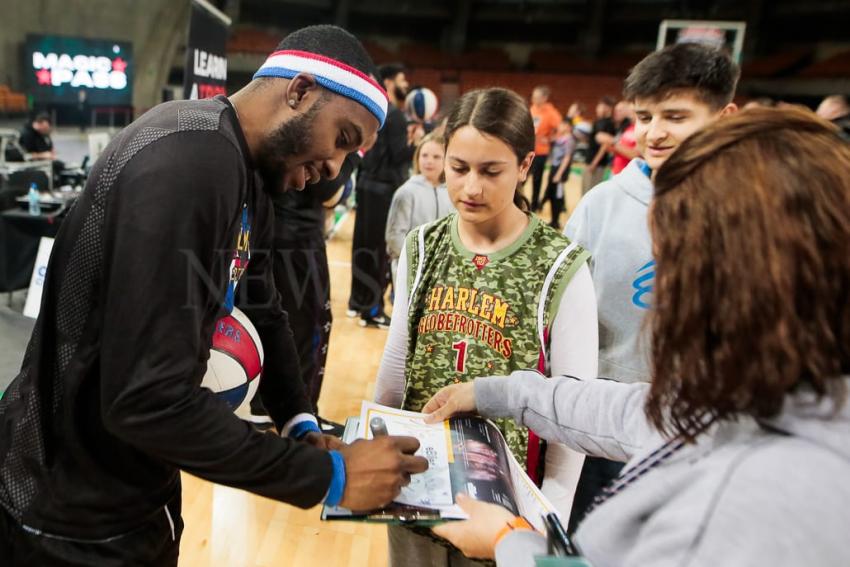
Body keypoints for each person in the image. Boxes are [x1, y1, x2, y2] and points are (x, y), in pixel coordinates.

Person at [0, 25, 428, 566]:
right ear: (298, 91)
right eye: (342, 139)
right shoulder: (190, 167)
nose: (334, 170)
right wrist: (330, 478)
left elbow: (261, 304)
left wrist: (300, 421)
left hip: (124, 487)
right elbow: (146, 402)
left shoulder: (242, 167)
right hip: (67, 513)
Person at [423, 106, 850, 567]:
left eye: (672, 262)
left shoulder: (749, 502)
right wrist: (493, 392)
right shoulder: (772, 397)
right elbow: (630, 412)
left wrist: (509, 539)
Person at [374, 87, 598, 567]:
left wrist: (546, 519)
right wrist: (374, 448)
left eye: (490, 171)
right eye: (459, 169)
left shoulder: (561, 266)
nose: (471, 188)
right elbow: (397, 363)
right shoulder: (421, 246)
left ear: (524, 167)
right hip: (420, 493)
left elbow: (572, 411)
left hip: (506, 516)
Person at [563, 42, 739, 532]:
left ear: (725, 116)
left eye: (675, 116)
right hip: (604, 431)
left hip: (703, 435)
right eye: (643, 117)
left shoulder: (753, 209)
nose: (654, 133)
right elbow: (558, 323)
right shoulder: (601, 205)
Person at [266, 150, 363, 433]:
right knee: (309, 327)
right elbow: (332, 194)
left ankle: (270, 407)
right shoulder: (315, 140)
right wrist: (354, 155)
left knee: (276, 321)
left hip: (274, 234)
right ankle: (304, 416)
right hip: (297, 241)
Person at [348, 63, 419, 328]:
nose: (405, 84)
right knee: (380, 250)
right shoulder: (397, 115)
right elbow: (398, 156)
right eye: (401, 79)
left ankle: (356, 303)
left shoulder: (370, 108)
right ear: (389, 82)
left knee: (361, 245)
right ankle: (373, 309)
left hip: (365, 185)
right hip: (385, 188)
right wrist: (416, 143)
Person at [385, 132, 453, 285]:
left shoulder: (451, 193)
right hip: (411, 272)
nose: (429, 161)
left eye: (436, 157)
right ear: (417, 158)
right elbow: (394, 236)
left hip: (442, 273)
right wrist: (417, 261)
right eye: (425, 155)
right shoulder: (406, 192)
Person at [528, 85, 563, 211]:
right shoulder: (532, 109)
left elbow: (562, 129)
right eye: (533, 96)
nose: (533, 99)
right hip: (528, 149)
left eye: (536, 97)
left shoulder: (551, 113)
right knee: (523, 177)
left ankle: (534, 205)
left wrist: (549, 139)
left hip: (541, 152)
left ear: (544, 98)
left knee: (536, 179)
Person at [541, 120, 576, 229]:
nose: (560, 126)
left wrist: (559, 174)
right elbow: (550, 141)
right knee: (551, 194)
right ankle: (553, 219)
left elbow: (567, 158)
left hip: (559, 170)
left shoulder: (569, 140)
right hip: (554, 167)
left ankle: (556, 220)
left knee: (556, 196)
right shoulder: (560, 138)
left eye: (563, 124)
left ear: (568, 127)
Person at [580, 96, 615, 195]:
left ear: (607, 108)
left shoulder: (609, 124)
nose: (597, 108)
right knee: (584, 190)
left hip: (597, 165)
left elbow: (605, 146)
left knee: (590, 191)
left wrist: (594, 163)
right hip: (589, 160)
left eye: (600, 106)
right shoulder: (598, 121)